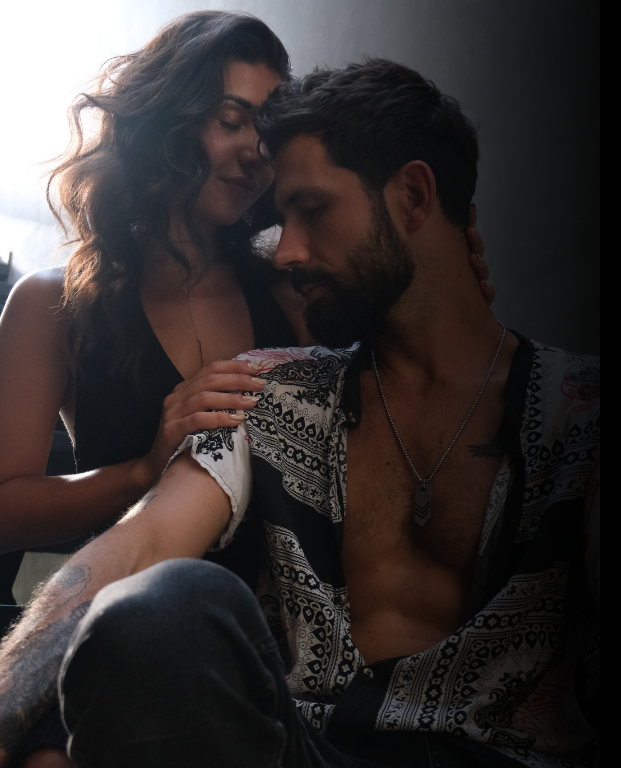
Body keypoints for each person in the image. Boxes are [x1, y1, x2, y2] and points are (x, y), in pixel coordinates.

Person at [0, 61, 561, 768]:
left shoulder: (572, 412)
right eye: (229, 120)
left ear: (415, 197)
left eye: (312, 211)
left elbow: (421, 311)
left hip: (501, 752)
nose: (290, 249)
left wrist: (446, 272)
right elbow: (135, 550)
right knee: (159, 603)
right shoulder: (266, 385)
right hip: (276, 724)